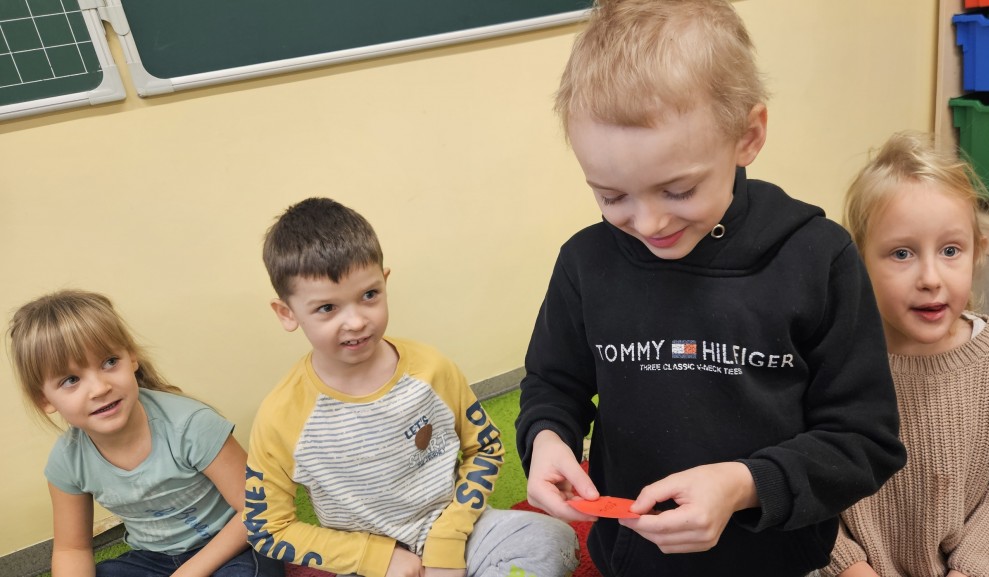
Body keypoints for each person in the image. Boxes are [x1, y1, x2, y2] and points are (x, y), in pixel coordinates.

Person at [513, 0, 908, 575]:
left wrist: (745, 484)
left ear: (748, 136)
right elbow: (553, 384)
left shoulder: (819, 259)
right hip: (633, 558)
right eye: (612, 196)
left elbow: (864, 441)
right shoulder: (584, 263)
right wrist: (548, 438)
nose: (649, 223)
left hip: (777, 560)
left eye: (678, 191)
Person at [244, 197, 579, 577]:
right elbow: (267, 528)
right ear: (287, 313)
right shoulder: (280, 416)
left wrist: (448, 540)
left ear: (384, 282)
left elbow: (484, 448)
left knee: (553, 541)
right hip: (370, 565)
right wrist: (381, 559)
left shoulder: (432, 369)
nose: (356, 321)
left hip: (460, 532)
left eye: (369, 295)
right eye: (327, 308)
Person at [823, 132, 989, 577]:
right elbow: (807, 478)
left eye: (951, 251)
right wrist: (850, 566)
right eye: (902, 253)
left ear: (977, 253)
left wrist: (974, 569)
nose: (931, 278)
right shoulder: (834, 359)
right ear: (858, 261)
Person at [7, 290, 284, 577]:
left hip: (233, 546)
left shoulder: (191, 425)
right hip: (153, 560)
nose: (100, 388)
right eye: (71, 380)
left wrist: (188, 573)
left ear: (132, 357)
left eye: (109, 362)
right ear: (45, 399)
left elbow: (255, 510)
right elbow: (72, 550)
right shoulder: (67, 461)